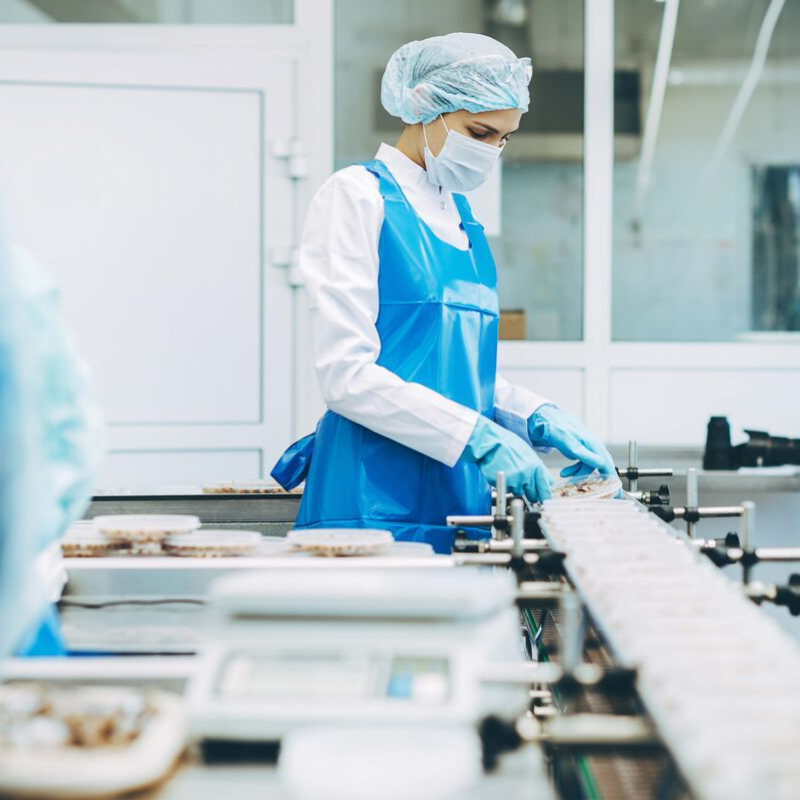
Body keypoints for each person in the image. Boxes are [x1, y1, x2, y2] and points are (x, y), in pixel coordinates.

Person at [273, 32, 614, 553]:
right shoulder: (357, 196)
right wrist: (475, 437)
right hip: (371, 495)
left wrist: (533, 414)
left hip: (458, 493)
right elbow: (346, 375)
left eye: (504, 138)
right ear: (426, 107)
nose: (491, 150)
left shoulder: (462, 218)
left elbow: (453, 367)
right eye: (480, 131)